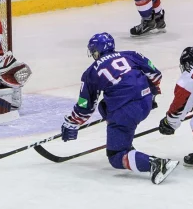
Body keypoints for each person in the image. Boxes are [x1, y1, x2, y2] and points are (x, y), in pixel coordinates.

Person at [61, 32, 179, 185]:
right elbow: (155, 74)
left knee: (116, 156)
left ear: (96, 51)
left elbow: (86, 107)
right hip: (145, 102)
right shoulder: (132, 55)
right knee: (105, 106)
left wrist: (72, 123)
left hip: (125, 112)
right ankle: (125, 142)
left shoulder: (91, 72)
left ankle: (155, 164)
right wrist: (152, 94)